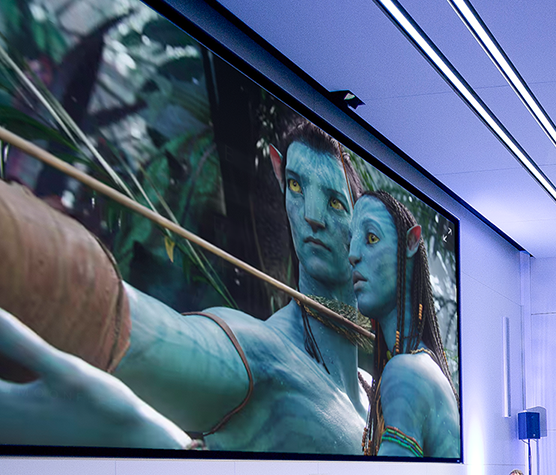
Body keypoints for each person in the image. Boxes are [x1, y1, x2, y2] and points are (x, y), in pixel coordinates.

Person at [0, 121, 372, 453]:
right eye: (295, 185)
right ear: (280, 176)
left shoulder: (371, 388)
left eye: (336, 203)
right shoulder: (259, 353)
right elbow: (118, 315)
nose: (310, 214)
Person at [350, 191, 460, 457]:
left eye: (372, 238)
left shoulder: (405, 372)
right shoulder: (418, 364)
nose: (352, 254)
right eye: (350, 241)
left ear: (411, 242)